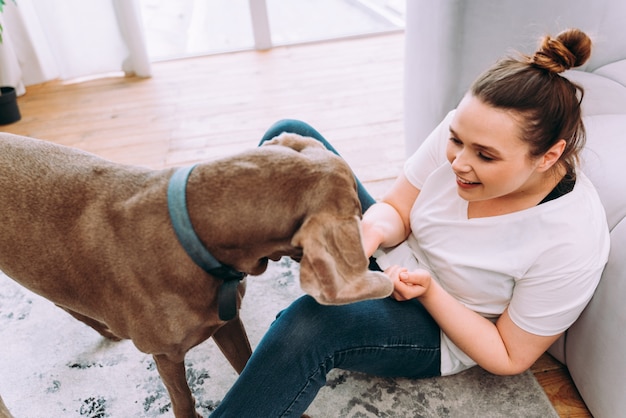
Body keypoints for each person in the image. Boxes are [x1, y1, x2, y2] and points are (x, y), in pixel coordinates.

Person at [210, 28, 610, 417]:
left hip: (440, 325)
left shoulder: (571, 238)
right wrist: (371, 232)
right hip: (393, 253)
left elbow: (509, 355)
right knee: (293, 141)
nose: (459, 162)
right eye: (456, 141)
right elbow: (398, 209)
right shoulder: (470, 134)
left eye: (485, 157)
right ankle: (209, 265)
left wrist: (430, 293)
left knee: (309, 324)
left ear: (548, 156)